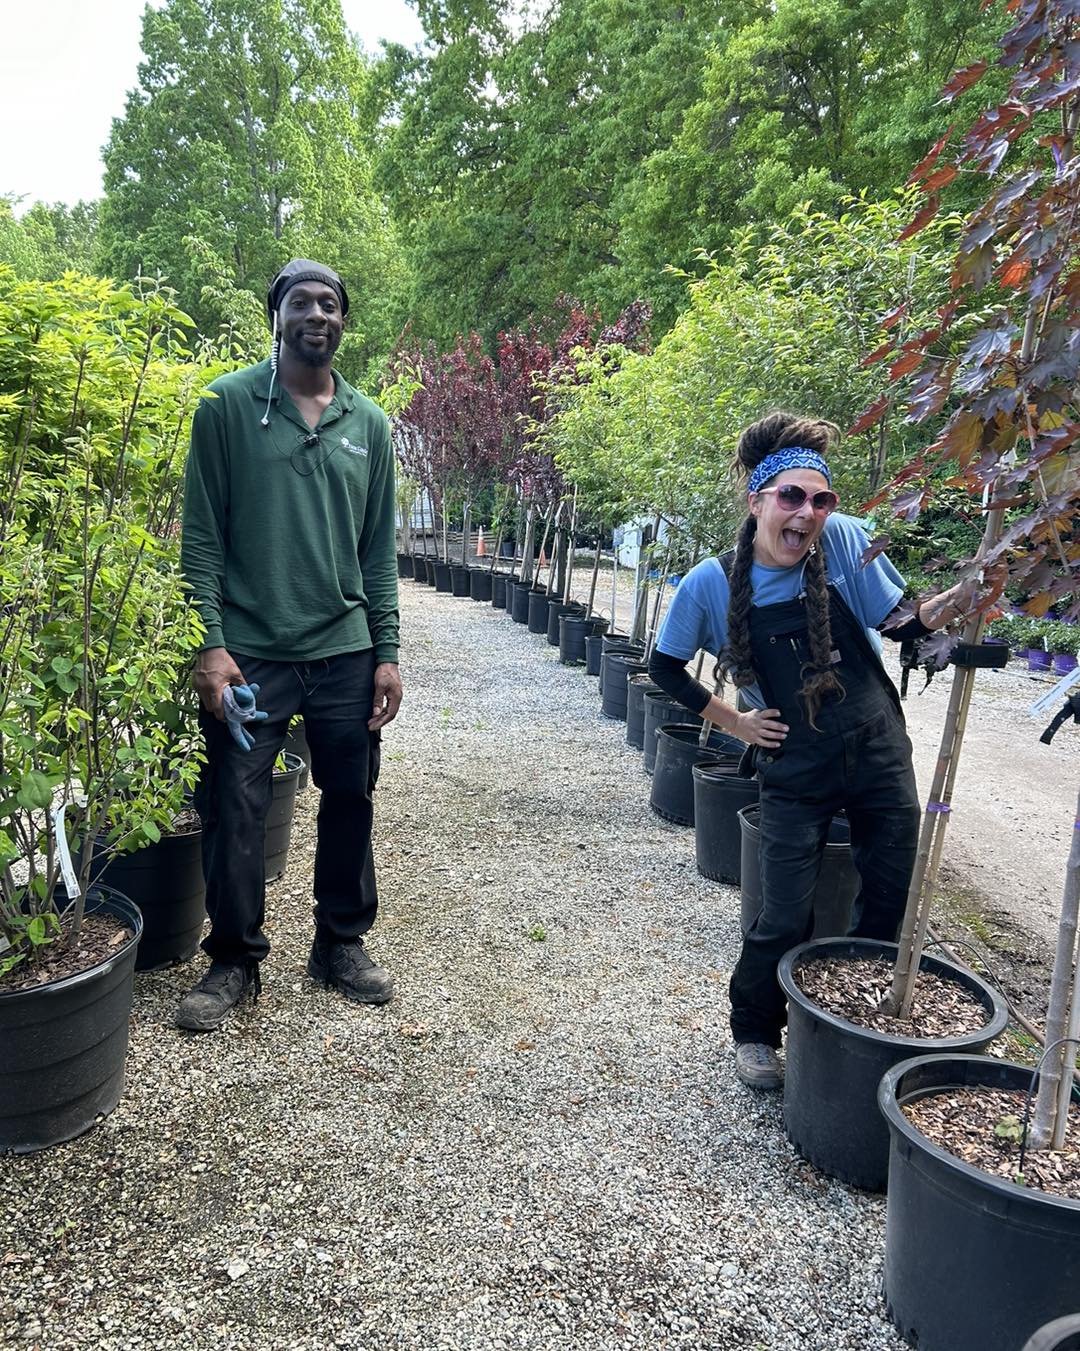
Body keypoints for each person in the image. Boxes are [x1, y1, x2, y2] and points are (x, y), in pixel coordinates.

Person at [648, 412, 998, 1089]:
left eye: (820, 499)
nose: (806, 513)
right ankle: (754, 1028)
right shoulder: (711, 583)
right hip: (794, 766)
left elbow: (900, 625)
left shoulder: (843, 542)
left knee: (889, 890)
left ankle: (862, 1023)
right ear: (757, 502)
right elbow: (664, 666)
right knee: (784, 910)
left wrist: (964, 596)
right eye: (790, 497)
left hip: (875, 748)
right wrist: (733, 720)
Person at [177, 258, 402, 1032]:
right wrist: (208, 644)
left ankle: (340, 942)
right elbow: (201, 539)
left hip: (343, 649)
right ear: (275, 316)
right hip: (252, 654)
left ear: (344, 319)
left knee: (351, 796)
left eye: (331, 303)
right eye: (301, 301)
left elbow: (378, 554)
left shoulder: (369, 426)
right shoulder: (228, 407)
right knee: (235, 801)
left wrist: (387, 651)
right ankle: (234, 956)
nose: (318, 313)